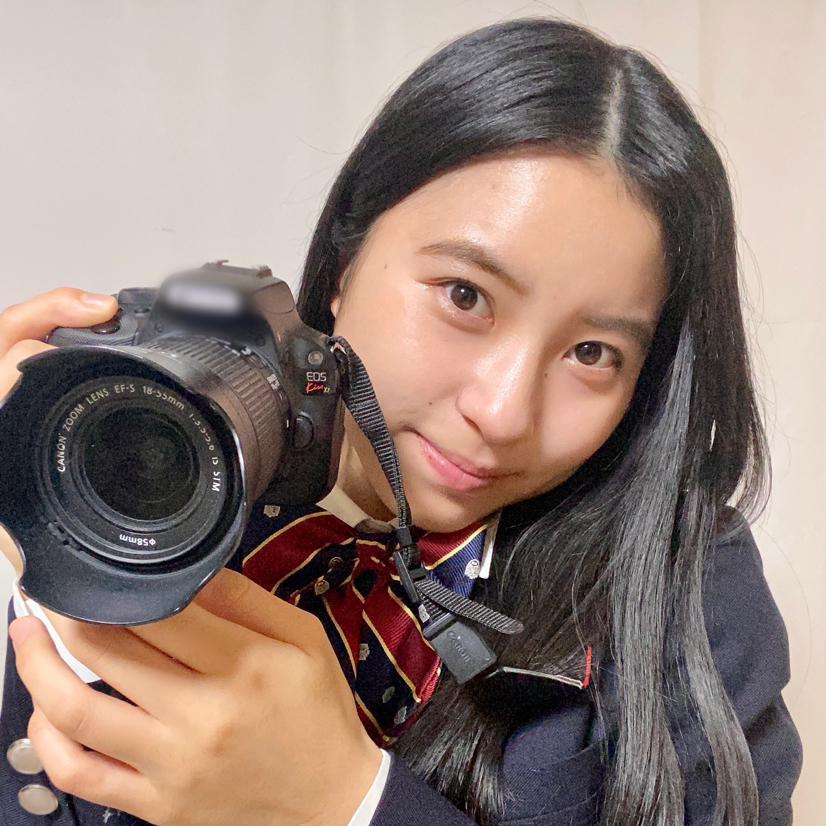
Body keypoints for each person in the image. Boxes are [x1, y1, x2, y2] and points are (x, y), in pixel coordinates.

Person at [0, 16, 803, 826]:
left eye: (592, 353)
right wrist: (57, 533)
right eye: (466, 296)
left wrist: (346, 803)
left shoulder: (689, 592)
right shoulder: (159, 452)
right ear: (346, 261)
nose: (502, 413)